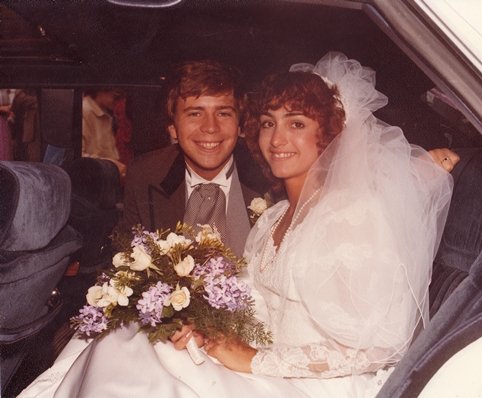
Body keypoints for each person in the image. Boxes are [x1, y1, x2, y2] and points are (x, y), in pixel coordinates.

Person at [18, 52, 453, 398]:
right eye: (268, 124)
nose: (277, 140)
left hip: (313, 381)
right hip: (259, 357)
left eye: (296, 124)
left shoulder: (355, 216)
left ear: (331, 133)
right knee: (128, 344)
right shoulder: (277, 217)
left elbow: (383, 346)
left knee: (135, 362)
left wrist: (255, 360)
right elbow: (255, 302)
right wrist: (207, 331)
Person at [118, 60, 270, 256]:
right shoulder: (145, 174)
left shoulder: (269, 177)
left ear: (239, 125)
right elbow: (124, 258)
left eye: (223, 113)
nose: (210, 127)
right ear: (172, 127)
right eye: (195, 113)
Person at [82, 88, 127, 179]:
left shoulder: (104, 113)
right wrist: (109, 164)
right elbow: (79, 155)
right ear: (101, 89)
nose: (118, 101)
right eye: (116, 96)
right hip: (93, 178)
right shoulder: (85, 111)